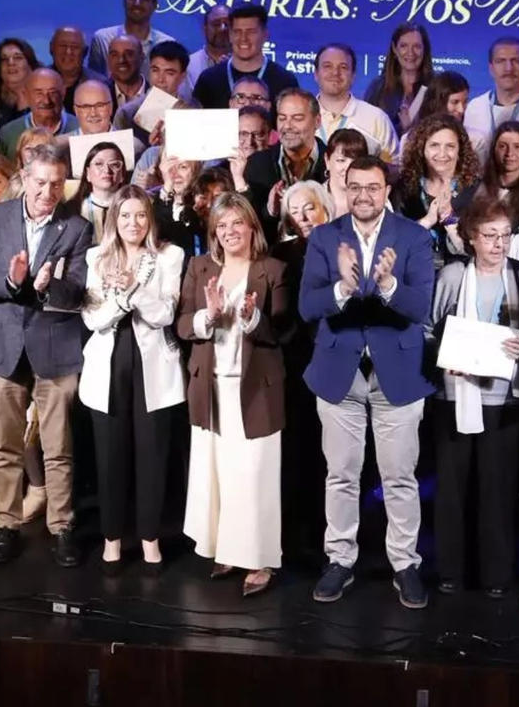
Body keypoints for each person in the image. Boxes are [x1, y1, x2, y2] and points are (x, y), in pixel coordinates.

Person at [300, 155, 438, 609]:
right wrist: (342, 287)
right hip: (338, 374)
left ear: (386, 191)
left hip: (397, 374)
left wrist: (388, 284)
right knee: (341, 475)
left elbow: (420, 308)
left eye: (373, 187)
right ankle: (340, 559)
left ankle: (405, 563)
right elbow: (307, 307)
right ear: (344, 187)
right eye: (355, 186)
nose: (363, 195)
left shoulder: (414, 237)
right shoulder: (325, 237)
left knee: (399, 477)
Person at [0, 145, 93, 569]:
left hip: (55, 348)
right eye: (40, 182)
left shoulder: (76, 228)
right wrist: (11, 280)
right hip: (3, 347)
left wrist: (46, 286)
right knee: (4, 446)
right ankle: (7, 524)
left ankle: (62, 527)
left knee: (58, 447)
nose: (47, 192)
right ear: (24, 178)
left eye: (56, 184)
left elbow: (77, 291)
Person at [179, 192, 293, 595]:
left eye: (237, 223)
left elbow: (282, 330)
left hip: (256, 389)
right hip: (209, 387)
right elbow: (182, 325)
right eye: (221, 225)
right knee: (218, 474)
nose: (229, 232)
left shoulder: (273, 269)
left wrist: (252, 317)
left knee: (254, 476)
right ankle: (227, 549)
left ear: (251, 227)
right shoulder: (199, 267)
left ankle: (259, 559)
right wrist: (207, 316)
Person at [425, 198, 519, 598]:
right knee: (452, 488)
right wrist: (445, 355)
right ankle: (450, 571)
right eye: (490, 236)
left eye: (505, 235)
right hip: (455, 395)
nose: (499, 244)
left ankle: (496, 575)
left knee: (498, 488)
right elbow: (427, 328)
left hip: (504, 400)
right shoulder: (453, 275)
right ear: (471, 237)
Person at [80, 186, 185, 570]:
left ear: (150, 219)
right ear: (114, 219)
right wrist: (121, 299)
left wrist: (133, 290)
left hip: (153, 366)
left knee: (152, 455)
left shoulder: (170, 256)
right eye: (125, 215)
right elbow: (92, 318)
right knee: (110, 456)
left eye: (141, 215)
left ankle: (150, 538)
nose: (133, 223)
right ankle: (112, 538)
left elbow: (165, 314)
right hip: (108, 365)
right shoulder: (96, 257)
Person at [272, 181, 332, 563]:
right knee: (297, 450)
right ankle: (297, 537)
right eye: (294, 210)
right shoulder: (281, 254)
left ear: (324, 208)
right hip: (295, 364)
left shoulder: (344, 247)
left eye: (309, 207)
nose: (303, 216)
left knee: (333, 456)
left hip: (336, 362)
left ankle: (332, 537)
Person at [393, 113, 479, 265]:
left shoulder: (475, 190)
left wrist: (450, 219)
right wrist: (427, 221)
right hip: (413, 268)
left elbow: (478, 250)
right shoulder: (405, 188)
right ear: (422, 149)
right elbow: (395, 245)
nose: (442, 154)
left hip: (460, 270)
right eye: (434, 145)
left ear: (460, 151)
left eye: (450, 146)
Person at [244, 88, 326, 230]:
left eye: (297, 118)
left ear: (317, 121)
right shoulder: (257, 164)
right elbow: (251, 225)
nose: (287, 126)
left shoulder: (334, 163)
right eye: (282, 118)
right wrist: (270, 210)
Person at [191, 3, 301, 109]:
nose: (243, 38)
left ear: (265, 35)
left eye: (251, 32)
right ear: (230, 35)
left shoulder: (284, 81)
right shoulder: (209, 80)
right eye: (237, 32)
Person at [314, 43, 398, 162]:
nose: (335, 72)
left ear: (353, 75)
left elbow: (395, 167)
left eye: (343, 67)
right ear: (316, 74)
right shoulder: (300, 116)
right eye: (327, 66)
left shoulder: (376, 118)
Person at [463, 37, 519, 164]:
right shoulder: (474, 107)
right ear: (491, 68)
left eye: (516, 61)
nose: (508, 68)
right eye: (500, 61)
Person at [113, 40, 196, 151]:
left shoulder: (193, 108)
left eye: (169, 73)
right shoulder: (126, 114)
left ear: (182, 76)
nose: (160, 79)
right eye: (155, 70)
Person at [88, 0, 177, 77]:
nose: (137, 3)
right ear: (124, 1)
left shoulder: (167, 44)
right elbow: (94, 80)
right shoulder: (103, 38)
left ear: (154, 4)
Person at [362, 21, 434, 135]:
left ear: (425, 50)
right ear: (394, 49)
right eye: (403, 46)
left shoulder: (435, 88)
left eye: (417, 46)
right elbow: (365, 130)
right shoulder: (377, 88)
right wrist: (401, 128)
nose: (410, 53)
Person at [0, 68, 79, 159]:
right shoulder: (8, 134)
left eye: (53, 93)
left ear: (63, 94)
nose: (46, 101)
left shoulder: (80, 129)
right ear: (26, 95)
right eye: (39, 93)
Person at [475, 121, 519, 220]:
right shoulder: (477, 189)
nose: (509, 153)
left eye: (517, 147)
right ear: (494, 150)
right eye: (502, 146)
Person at [320, 129, 368, 220]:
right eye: (341, 160)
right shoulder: (313, 198)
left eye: (355, 161)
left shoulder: (375, 199)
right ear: (327, 160)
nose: (348, 168)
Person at [185, 3, 232, 95]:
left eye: (227, 24)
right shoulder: (189, 65)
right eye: (216, 24)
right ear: (205, 29)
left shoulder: (247, 64)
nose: (222, 29)